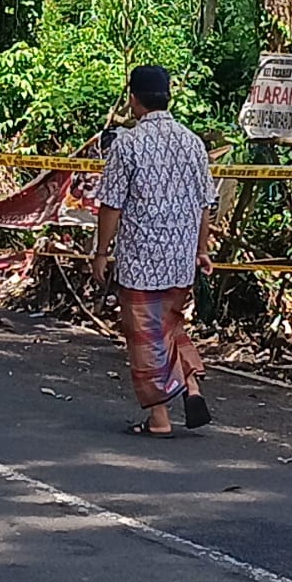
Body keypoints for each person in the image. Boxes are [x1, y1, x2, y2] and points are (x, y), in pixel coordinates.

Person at [93, 65, 217, 438]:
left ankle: (160, 418)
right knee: (170, 326)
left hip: (141, 260)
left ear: (134, 99)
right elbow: (204, 204)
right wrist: (201, 249)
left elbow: (112, 205)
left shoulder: (127, 144)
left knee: (145, 337)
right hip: (180, 259)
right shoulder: (193, 142)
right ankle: (191, 386)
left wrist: (101, 252)